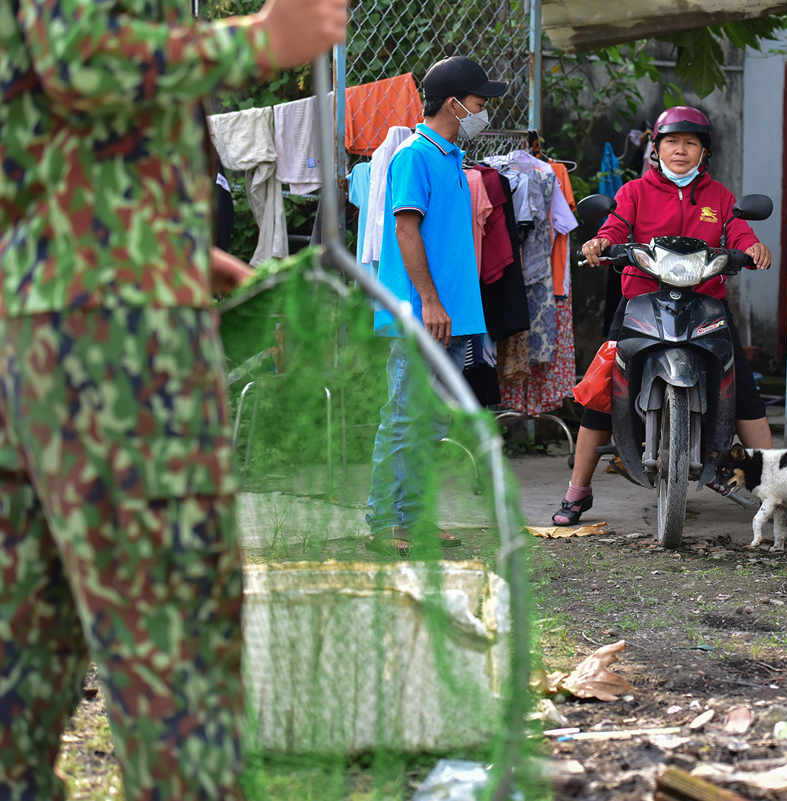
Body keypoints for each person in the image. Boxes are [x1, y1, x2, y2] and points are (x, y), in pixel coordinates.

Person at [0, 1, 347, 799]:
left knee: (25, 639)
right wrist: (262, 39)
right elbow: (83, 59)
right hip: (111, 341)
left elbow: (43, 113)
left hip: (39, 314)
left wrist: (161, 242)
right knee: (174, 651)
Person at [553, 106, 787, 529]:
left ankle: (775, 492)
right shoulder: (634, 191)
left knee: (743, 391)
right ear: (657, 148)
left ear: (704, 151)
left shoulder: (720, 196)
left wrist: (753, 246)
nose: (681, 150)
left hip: (705, 305)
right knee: (601, 392)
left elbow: (738, 231)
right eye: (671, 142)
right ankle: (578, 490)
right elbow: (615, 227)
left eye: (691, 143)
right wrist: (600, 242)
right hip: (641, 302)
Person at [364, 56, 508, 554]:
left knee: (433, 420)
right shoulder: (414, 156)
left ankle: (415, 519)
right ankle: (384, 523)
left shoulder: (451, 159)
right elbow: (405, 228)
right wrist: (428, 300)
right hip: (422, 314)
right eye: (478, 101)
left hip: (453, 316)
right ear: (454, 103)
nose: (483, 109)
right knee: (405, 416)